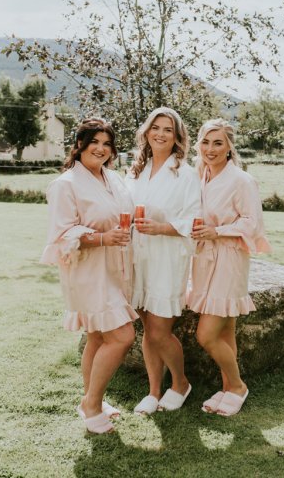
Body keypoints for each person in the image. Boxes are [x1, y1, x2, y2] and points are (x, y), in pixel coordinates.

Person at [40, 118, 138, 434]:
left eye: (107, 143)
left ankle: (91, 400)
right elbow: (61, 233)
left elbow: (125, 216)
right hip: (87, 271)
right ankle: (92, 405)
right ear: (80, 144)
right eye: (94, 141)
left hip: (116, 268)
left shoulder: (114, 178)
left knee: (98, 336)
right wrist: (101, 238)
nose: (101, 148)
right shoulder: (65, 185)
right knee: (122, 337)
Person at [188, 119, 270, 416]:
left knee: (206, 335)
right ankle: (225, 389)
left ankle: (237, 386)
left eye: (218, 143)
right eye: (206, 142)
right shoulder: (199, 175)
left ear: (229, 147)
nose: (210, 149)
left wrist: (217, 232)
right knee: (226, 333)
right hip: (203, 259)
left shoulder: (241, 180)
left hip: (229, 259)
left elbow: (253, 223)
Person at [125, 107, 201, 414]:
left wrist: (161, 228)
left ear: (177, 136)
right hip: (137, 256)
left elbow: (194, 220)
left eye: (167, 129)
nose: (160, 133)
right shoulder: (134, 171)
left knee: (159, 330)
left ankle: (180, 382)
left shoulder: (186, 174)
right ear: (146, 132)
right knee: (146, 327)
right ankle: (154, 391)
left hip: (167, 258)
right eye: (155, 127)